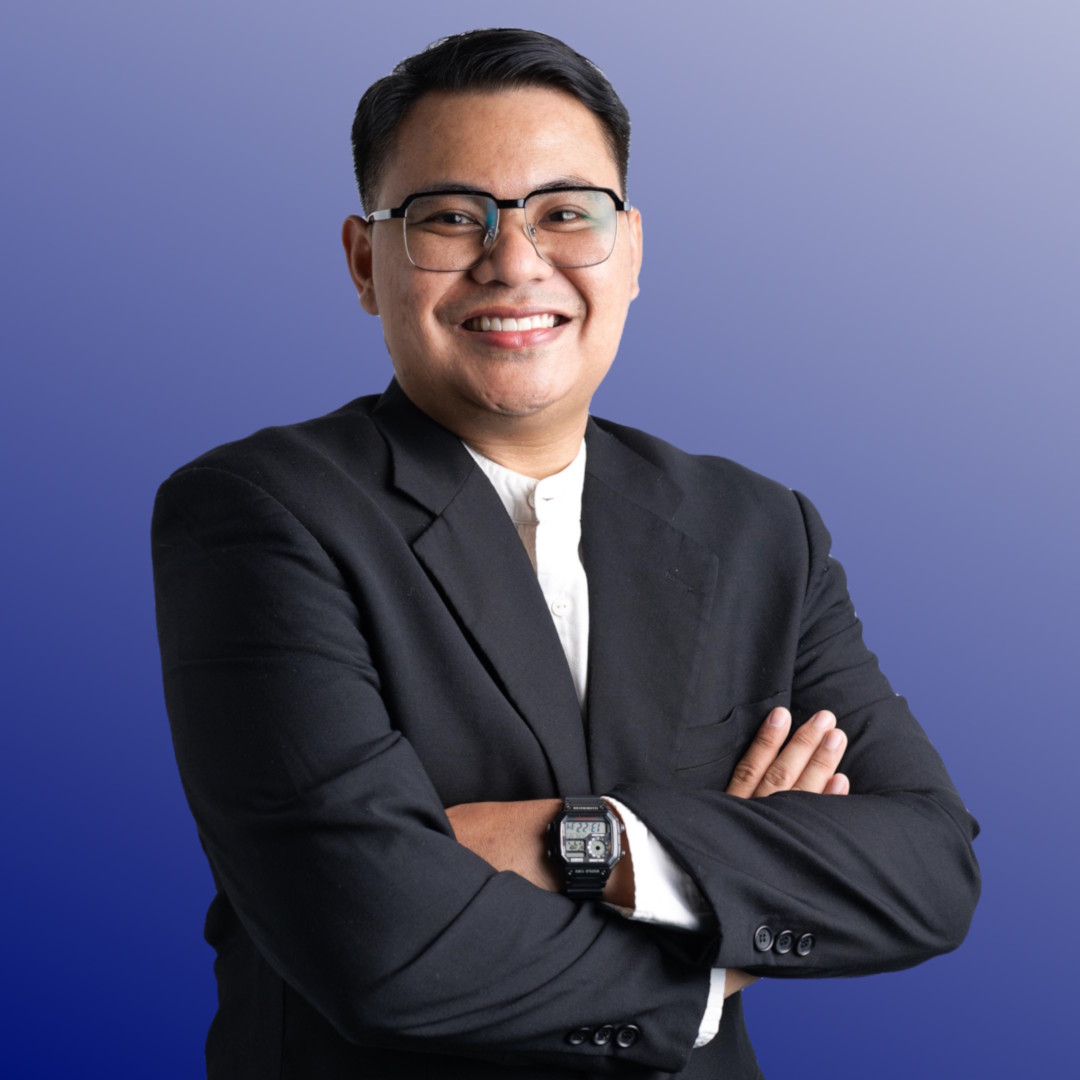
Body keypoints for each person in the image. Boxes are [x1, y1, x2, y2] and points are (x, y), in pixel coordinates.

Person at [152, 28, 980, 1079]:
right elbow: (376, 945)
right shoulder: (262, 514)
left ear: (629, 252)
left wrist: (588, 840)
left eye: (565, 213)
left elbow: (928, 872)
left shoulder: (760, 529)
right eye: (452, 217)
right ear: (366, 263)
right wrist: (716, 937)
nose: (514, 262)